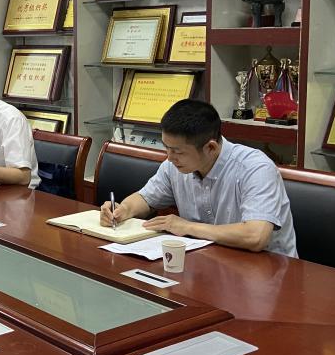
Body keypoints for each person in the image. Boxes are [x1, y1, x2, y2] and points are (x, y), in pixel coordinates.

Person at [100, 99, 297, 256]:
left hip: (269, 273)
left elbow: (255, 236)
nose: (169, 157)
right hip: (210, 262)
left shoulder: (255, 168)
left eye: (177, 151)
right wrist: (123, 210)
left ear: (210, 147)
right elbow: (146, 198)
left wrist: (187, 227)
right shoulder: (173, 166)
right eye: (166, 147)